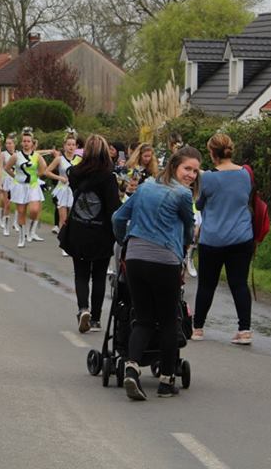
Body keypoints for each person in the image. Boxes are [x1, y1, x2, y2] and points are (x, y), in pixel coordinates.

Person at [112, 145, 200, 400]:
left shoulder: (146, 186)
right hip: (165, 260)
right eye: (187, 169)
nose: (191, 175)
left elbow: (118, 217)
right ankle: (166, 381)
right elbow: (188, 227)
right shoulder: (183, 195)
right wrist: (184, 247)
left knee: (143, 318)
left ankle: (131, 367)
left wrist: (124, 241)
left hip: (136, 259)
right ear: (174, 166)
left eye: (195, 171)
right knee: (169, 320)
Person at [191, 133, 256, 345]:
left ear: (212, 153)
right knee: (239, 284)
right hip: (241, 236)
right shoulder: (245, 174)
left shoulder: (208, 178)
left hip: (213, 239)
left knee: (207, 285)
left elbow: (199, 204)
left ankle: (198, 328)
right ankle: (244, 330)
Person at [59, 134, 121, 333]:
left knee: (81, 273)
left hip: (78, 228)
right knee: (100, 276)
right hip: (101, 232)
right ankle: (95, 318)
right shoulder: (109, 178)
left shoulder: (75, 173)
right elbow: (113, 209)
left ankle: (82, 308)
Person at [5, 128, 48, 248]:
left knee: (34, 210)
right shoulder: (16, 156)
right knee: (21, 212)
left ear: (32, 143)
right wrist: (16, 177)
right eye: (24, 141)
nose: (26, 143)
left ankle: (31, 229)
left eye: (28, 141)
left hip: (33, 186)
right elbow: (7, 168)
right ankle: (21, 237)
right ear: (21, 142)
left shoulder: (37, 156)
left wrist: (36, 176)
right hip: (20, 186)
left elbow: (43, 168)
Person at [45, 130, 82, 243]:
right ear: (64, 146)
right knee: (63, 218)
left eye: (73, 145)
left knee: (73, 218)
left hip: (74, 190)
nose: (71, 147)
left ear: (76, 146)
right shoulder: (59, 159)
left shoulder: (79, 159)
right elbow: (47, 172)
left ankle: (71, 239)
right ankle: (63, 242)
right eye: (68, 145)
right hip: (62, 190)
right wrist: (59, 178)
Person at [0, 133, 16, 236]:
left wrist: (49, 151)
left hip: (16, 180)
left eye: (10, 143)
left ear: (14, 144)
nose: (8, 145)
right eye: (7, 143)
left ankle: (16, 222)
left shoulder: (18, 154)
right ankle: (6, 225)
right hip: (6, 180)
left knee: (18, 202)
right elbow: (0, 168)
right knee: (6, 203)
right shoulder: (3, 155)